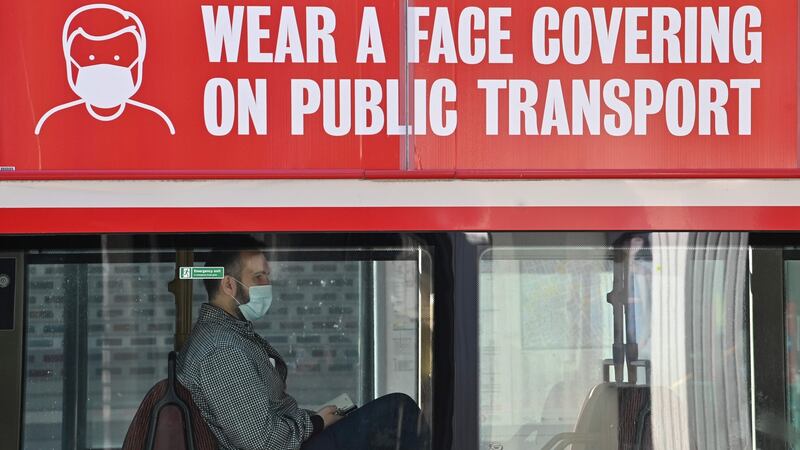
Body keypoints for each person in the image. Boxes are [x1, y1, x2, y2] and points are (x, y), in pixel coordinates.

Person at [177, 244, 427, 450]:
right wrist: (316, 422)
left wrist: (316, 419)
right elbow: (262, 442)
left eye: (267, 276)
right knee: (396, 411)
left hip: (294, 438)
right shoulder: (221, 350)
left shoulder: (228, 335)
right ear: (229, 285)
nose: (267, 283)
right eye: (258, 277)